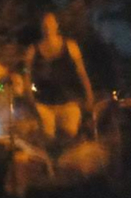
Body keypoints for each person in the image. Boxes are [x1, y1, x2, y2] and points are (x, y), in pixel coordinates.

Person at [24, 12, 94, 146]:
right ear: (41, 27)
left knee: (69, 136)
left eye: (50, 23)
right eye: (45, 24)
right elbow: (26, 74)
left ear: (57, 25)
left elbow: (81, 73)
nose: (48, 27)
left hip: (68, 101)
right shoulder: (33, 51)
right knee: (47, 138)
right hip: (44, 103)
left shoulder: (70, 46)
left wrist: (89, 95)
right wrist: (29, 98)